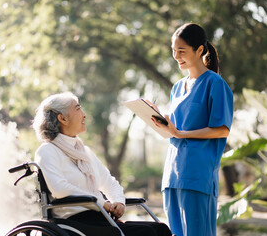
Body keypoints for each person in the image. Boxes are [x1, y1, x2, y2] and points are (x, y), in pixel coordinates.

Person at [32, 92, 172, 236]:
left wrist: (118, 201)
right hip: (75, 222)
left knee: (160, 229)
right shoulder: (48, 151)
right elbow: (59, 189)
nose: (84, 115)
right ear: (62, 118)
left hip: (101, 218)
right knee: (146, 232)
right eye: (78, 109)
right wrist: (101, 202)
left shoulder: (84, 152)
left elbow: (109, 182)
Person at [149, 23, 233, 236]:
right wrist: (162, 123)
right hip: (172, 176)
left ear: (199, 50)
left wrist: (181, 133)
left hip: (197, 176)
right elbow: (175, 130)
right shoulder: (177, 87)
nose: (176, 56)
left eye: (182, 50)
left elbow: (222, 129)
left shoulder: (215, 84)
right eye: (173, 50)